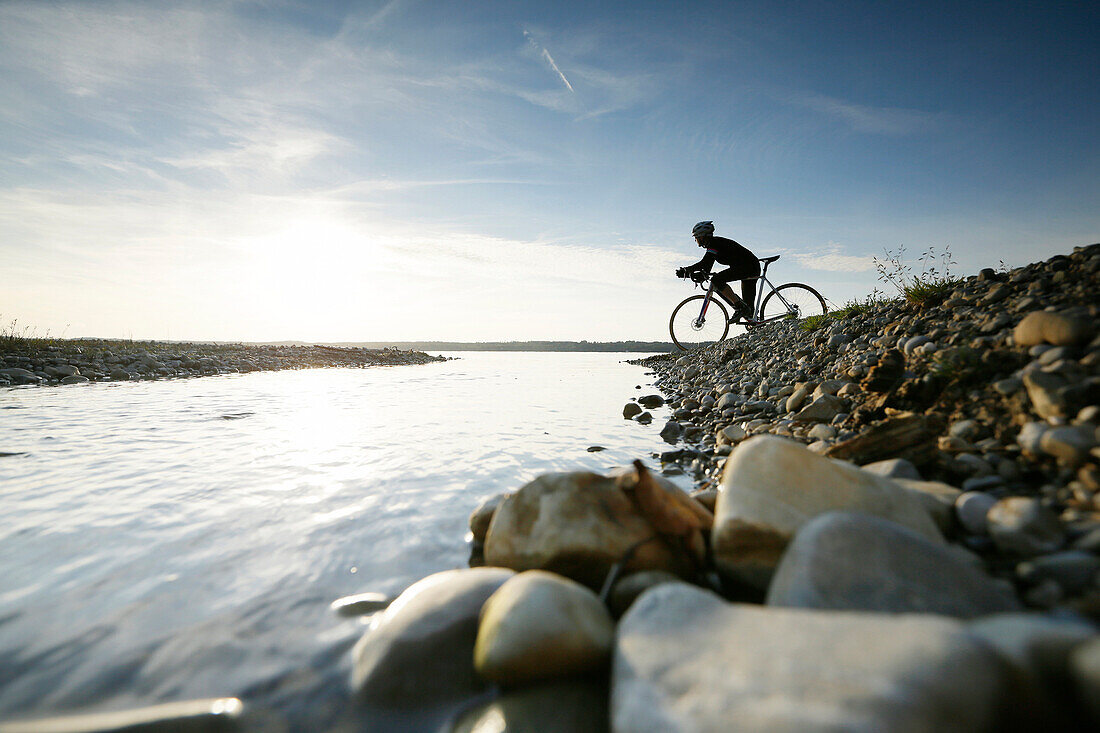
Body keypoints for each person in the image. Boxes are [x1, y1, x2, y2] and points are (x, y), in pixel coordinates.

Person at [675, 221, 761, 322]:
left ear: (703, 236)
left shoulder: (714, 243)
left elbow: (704, 264)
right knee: (748, 310)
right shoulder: (713, 244)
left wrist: (686, 271)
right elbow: (706, 268)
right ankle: (756, 323)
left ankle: (740, 307)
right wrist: (690, 274)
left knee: (717, 279)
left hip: (749, 267)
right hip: (747, 266)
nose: (696, 240)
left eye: (697, 237)